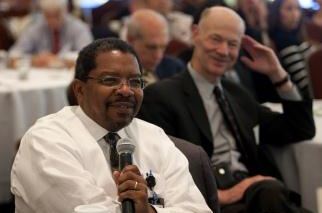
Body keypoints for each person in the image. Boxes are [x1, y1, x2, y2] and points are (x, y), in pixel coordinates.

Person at [138, 6, 315, 213]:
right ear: (195, 34)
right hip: (210, 202)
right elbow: (157, 173)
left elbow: (300, 129)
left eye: (233, 44)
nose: (223, 51)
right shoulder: (161, 96)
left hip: (257, 195)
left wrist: (278, 75)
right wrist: (222, 195)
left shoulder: (236, 94)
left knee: (274, 193)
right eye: (216, 39)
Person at [11, 38, 212, 213]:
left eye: (135, 82)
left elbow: (198, 209)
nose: (126, 90)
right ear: (80, 90)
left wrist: (149, 211)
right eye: (110, 80)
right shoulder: (46, 141)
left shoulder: (155, 137)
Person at [9, 0, 93, 68]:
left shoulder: (79, 28)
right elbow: (14, 54)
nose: (52, 20)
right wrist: (34, 59)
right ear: (43, 13)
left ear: (65, 10)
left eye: (57, 15)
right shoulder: (36, 27)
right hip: (40, 78)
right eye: (48, 15)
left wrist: (59, 59)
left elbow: (88, 58)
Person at [125, 9, 184, 85]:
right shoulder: (113, 71)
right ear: (130, 40)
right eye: (151, 47)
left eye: (163, 47)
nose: (158, 56)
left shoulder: (175, 68)